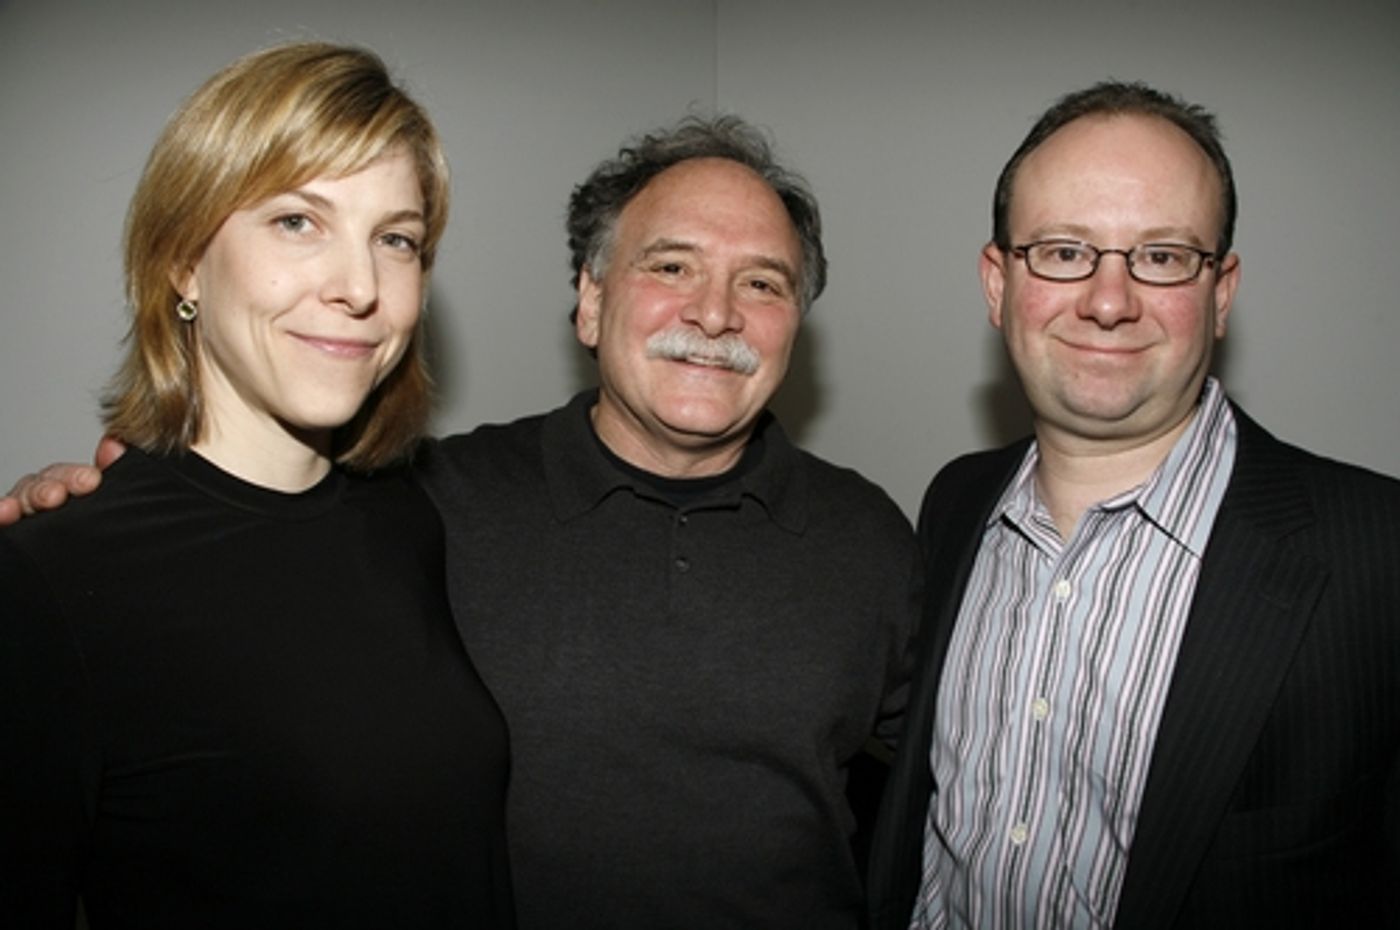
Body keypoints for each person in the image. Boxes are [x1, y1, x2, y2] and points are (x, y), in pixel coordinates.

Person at [3, 116, 919, 929]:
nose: (715, 314)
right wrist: (89, 508)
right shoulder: (420, 503)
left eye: (762, 283)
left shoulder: (872, 539)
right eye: (671, 266)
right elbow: (230, 556)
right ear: (591, 301)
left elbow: (962, 779)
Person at [0, 43, 513, 928]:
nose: (360, 287)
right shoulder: (49, 580)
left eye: (395, 239)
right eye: (297, 221)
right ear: (183, 261)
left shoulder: (411, 520)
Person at [867, 81, 1400, 930]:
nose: (1109, 302)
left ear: (1221, 293)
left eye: (1161, 256)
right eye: (1064, 251)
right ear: (997, 284)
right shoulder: (953, 504)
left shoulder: (1377, 555)